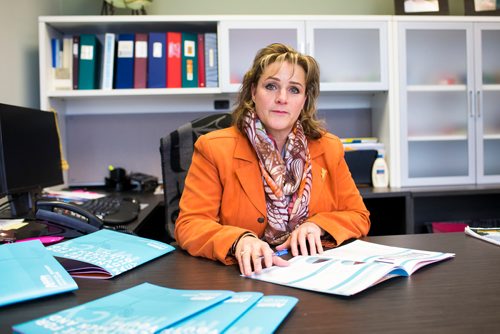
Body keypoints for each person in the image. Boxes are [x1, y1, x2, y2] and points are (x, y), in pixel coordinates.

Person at [175, 43, 370, 276]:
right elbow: (190, 225)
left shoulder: (328, 147)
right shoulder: (214, 149)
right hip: (245, 275)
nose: (282, 98)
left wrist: (318, 226)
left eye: (294, 90)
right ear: (253, 92)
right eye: (271, 86)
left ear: (305, 100)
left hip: (312, 274)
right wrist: (238, 240)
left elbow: (358, 216)